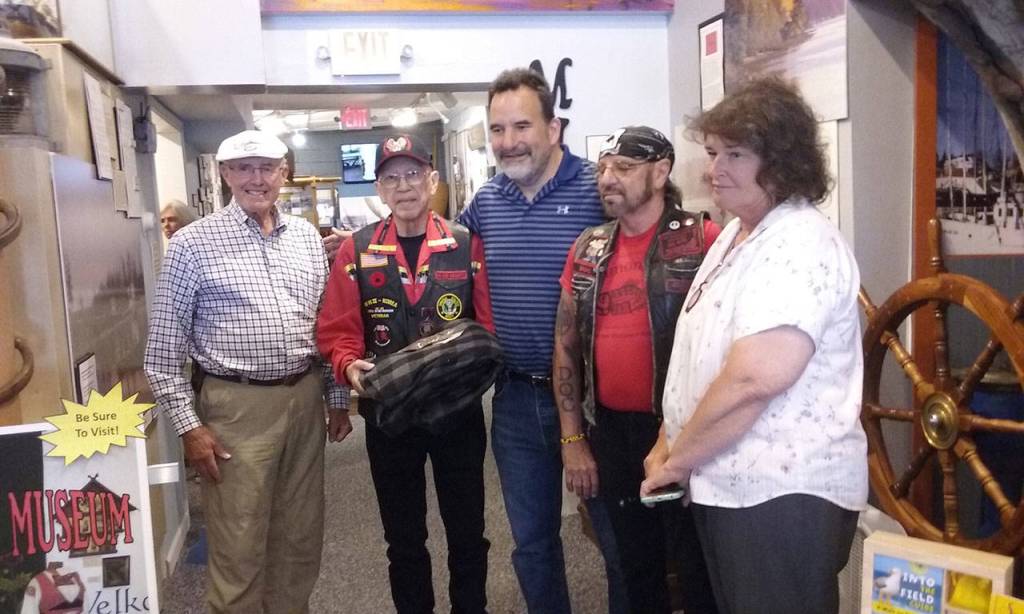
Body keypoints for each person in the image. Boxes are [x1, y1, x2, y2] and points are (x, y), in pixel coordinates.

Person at [641, 77, 868, 614]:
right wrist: (667, 436)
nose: (714, 170)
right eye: (714, 152)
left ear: (784, 161)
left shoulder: (800, 243)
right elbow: (699, 360)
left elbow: (753, 379)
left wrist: (676, 459)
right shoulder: (737, 235)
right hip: (727, 481)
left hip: (781, 496)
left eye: (735, 155)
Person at [144, 129, 351, 614]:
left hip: (303, 400)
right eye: (243, 168)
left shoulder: (305, 238)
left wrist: (337, 399)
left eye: (267, 167)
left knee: (299, 541)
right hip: (235, 408)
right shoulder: (192, 245)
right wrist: (191, 430)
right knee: (238, 547)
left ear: (284, 173)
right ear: (224, 174)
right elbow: (160, 358)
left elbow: (328, 327)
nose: (256, 179)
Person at [457, 67, 624, 614]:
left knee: (618, 538)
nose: (508, 142)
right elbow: (441, 255)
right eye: (498, 129)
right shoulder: (486, 202)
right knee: (532, 544)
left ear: (555, 128)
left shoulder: (597, 191)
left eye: (522, 126)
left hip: (594, 401)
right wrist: (364, 247)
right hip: (515, 399)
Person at [317, 134, 493, 614]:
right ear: (379, 187)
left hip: (456, 415)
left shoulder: (464, 244)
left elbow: (488, 325)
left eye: (413, 173)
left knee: (467, 534)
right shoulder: (355, 250)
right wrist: (348, 364)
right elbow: (336, 329)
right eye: (392, 177)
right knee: (404, 540)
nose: (404, 185)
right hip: (388, 416)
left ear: (432, 179)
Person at [554, 126, 720, 614]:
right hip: (610, 432)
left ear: (661, 171)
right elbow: (564, 346)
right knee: (633, 566)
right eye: (603, 168)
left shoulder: (703, 239)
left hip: (682, 430)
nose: (608, 178)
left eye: (623, 168)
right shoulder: (588, 246)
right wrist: (572, 440)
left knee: (695, 569)